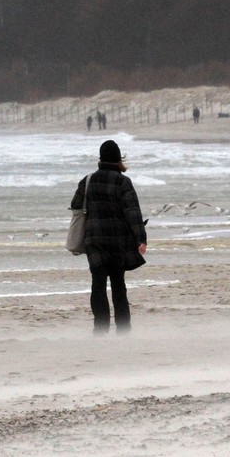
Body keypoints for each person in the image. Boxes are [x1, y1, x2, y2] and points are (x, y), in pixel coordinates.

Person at [70, 140, 147, 334]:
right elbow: (132, 212)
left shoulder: (88, 180)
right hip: (117, 241)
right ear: (118, 158)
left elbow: (76, 204)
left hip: (94, 241)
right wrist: (141, 238)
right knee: (118, 285)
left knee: (98, 284)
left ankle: (101, 329)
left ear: (101, 158)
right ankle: (123, 330)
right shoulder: (123, 182)